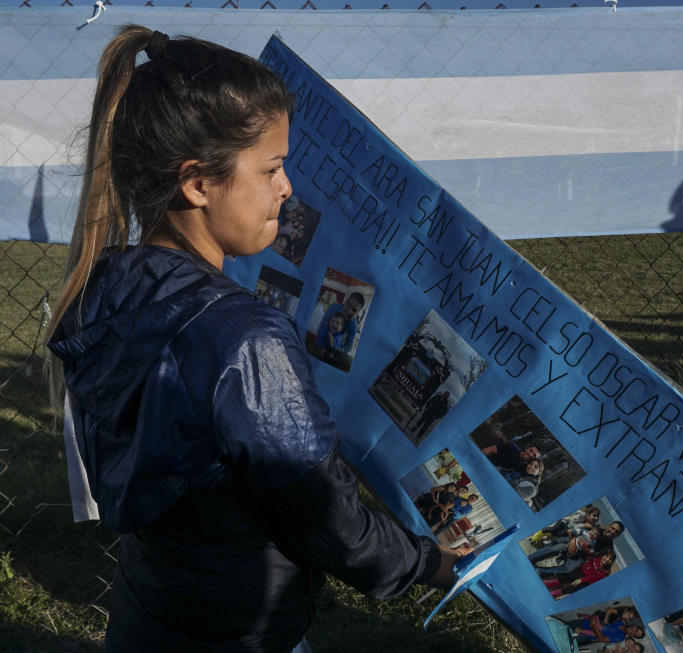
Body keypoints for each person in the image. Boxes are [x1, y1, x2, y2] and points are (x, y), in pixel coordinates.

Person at [44, 26, 462, 652]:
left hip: (147, 617)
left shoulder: (105, 295)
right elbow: (324, 516)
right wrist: (424, 563)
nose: (286, 187)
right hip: (242, 632)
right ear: (198, 182)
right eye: (271, 168)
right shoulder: (241, 338)